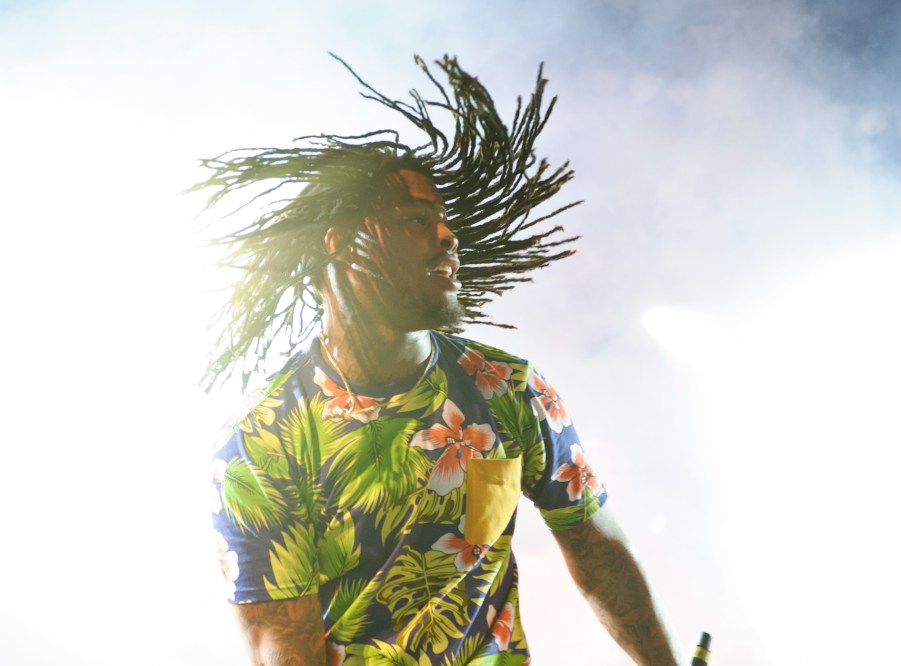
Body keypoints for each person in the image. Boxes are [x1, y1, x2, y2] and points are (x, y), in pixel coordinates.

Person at [199, 54, 679, 666]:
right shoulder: (262, 437)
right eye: (414, 221)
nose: (447, 237)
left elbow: (598, 553)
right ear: (340, 245)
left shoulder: (509, 390)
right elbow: (284, 648)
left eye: (445, 221)